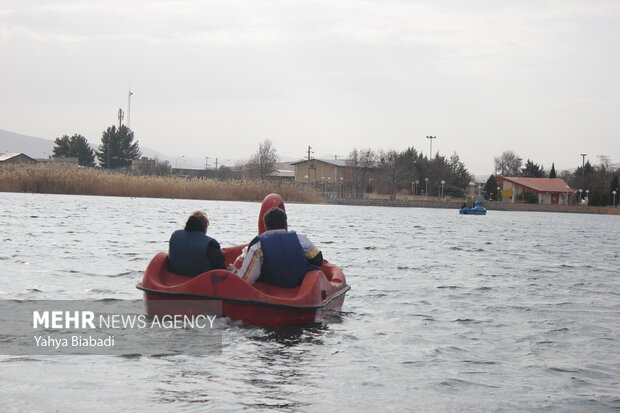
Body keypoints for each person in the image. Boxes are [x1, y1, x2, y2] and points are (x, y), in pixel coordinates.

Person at [232, 207, 323, 288]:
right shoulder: (302, 240)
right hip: (299, 288)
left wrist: (234, 272)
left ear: (265, 227)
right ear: (286, 225)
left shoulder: (257, 247)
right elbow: (318, 260)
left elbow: (246, 279)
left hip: (270, 292)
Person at [168, 211, 226, 277]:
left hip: (174, 276)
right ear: (205, 227)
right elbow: (220, 268)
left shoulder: (175, 235)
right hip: (199, 280)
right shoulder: (210, 244)